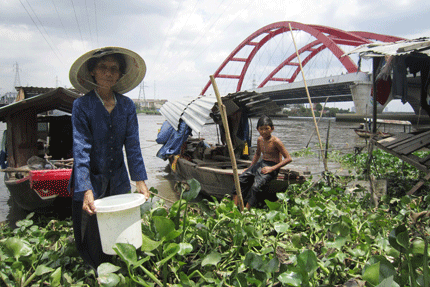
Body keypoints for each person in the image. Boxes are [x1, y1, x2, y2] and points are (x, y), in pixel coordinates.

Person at [68, 47, 150, 270]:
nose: (108, 72)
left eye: (114, 69)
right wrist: (85, 189)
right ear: (92, 72)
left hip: (118, 179)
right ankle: (96, 271)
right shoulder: (82, 105)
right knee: (91, 232)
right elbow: (81, 149)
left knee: (121, 227)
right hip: (90, 178)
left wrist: (140, 182)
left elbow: (132, 145)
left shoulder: (126, 105)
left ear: (120, 74)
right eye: (103, 67)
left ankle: (121, 269)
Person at [232, 115, 292, 209]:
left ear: (272, 129)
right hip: (262, 163)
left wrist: (272, 168)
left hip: (273, 166)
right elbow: (257, 154)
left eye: (266, 129)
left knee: (256, 187)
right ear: (257, 129)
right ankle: (234, 206)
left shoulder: (276, 141)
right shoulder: (260, 139)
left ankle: (246, 210)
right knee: (241, 179)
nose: (264, 131)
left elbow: (288, 158)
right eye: (261, 129)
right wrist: (250, 168)